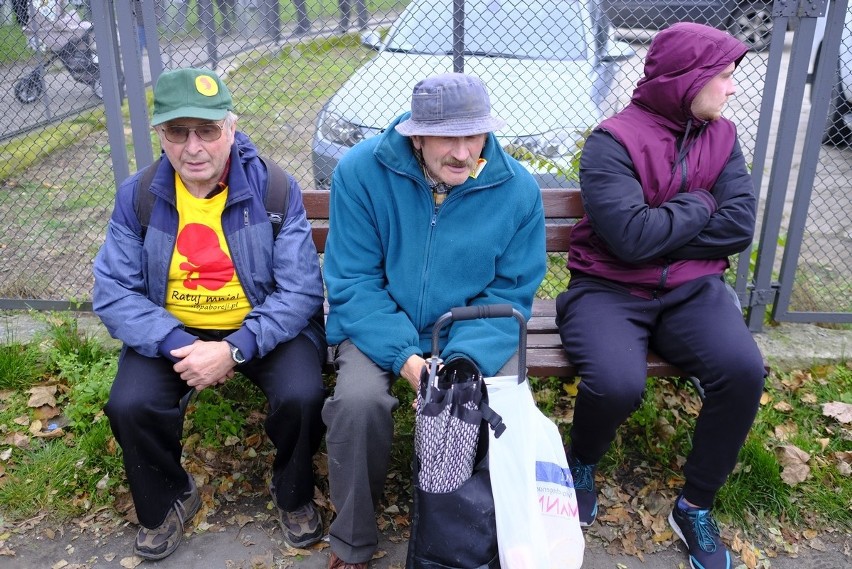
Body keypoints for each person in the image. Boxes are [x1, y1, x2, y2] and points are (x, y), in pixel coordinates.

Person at [555, 22, 767, 569]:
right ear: (689, 78)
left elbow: (740, 226)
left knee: (743, 370)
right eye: (724, 76)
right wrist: (700, 204)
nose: (733, 88)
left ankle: (695, 503)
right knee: (617, 383)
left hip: (694, 290)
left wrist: (662, 224)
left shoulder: (723, 135)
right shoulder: (614, 140)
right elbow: (628, 239)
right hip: (608, 289)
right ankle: (581, 460)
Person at [92, 67, 327, 561]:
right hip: (173, 330)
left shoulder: (274, 191)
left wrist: (233, 349)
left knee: (302, 394)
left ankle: (294, 493)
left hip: (263, 326)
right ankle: (170, 497)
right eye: (178, 132)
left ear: (232, 129)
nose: (193, 147)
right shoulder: (139, 196)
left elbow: (301, 290)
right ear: (161, 135)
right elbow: (113, 291)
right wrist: (181, 346)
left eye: (208, 130)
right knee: (129, 404)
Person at [322, 72, 546, 569]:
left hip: (469, 329)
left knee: (495, 404)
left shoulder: (517, 190)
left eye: (475, 135)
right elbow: (353, 282)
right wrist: (405, 357)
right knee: (358, 404)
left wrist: (461, 360)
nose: (464, 152)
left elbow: (510, 291)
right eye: (449, 136)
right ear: (416, 135)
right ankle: (354, 542)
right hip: (379, 323)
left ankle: (475, 538)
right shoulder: (360, 172)